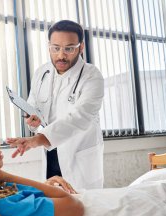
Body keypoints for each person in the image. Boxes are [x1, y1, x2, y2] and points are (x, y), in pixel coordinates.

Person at [7, 20, 104, 190]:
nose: (61, 55)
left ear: (81, 47)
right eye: (56, 48)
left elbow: (81, 117)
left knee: (86, 207)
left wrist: (38, 139)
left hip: (79, 159)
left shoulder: (92, 76)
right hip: (50, 156)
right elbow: (33, 106)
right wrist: (32, 121)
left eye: (69, 48)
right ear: (49, 46)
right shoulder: (41, 73)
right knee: (55, 205)